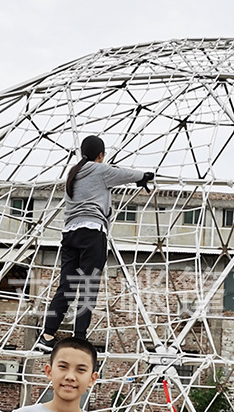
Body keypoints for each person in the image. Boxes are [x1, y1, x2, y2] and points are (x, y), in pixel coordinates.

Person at [35, 134, 153, 352]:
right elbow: (124, 174)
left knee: (66, 287)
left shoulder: (73, 173)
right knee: (88, 287)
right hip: (92, 232)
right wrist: (143, 177)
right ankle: (79, 338)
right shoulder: (99, 170)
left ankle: (47, 336)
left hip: (70, 233)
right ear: (100, 155)